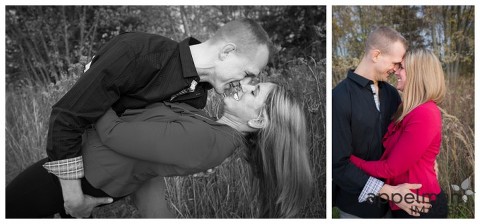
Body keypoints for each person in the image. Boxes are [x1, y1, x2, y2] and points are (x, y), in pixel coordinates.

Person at [39, 18, 274, 218]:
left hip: (102, 188)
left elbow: (149, 152)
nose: (243, 84)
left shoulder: (196, 95)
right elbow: (67, 115)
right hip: (66, 180)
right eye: (246, 74)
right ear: (227, 52)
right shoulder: (137, 53)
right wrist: (73, 198)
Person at [6, 82, 313, 218]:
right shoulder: (212, 131)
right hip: (79, 174)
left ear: (259, 119)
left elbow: (114, 134)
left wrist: (98, 84)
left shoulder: (209, 142)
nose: (244, 85)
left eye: (254, 91)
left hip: (79, 177)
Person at [332, 26, 431, 218]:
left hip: (394, 205)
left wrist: (426, 160)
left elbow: (406, 139)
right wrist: (388, 191)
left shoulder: (392, 94)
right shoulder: (340, 97)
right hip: (357, 208)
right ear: (376, 55)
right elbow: (338, 165)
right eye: (395, 63)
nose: (396, 70)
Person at [349, 48, 448, 218]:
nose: (396, 71)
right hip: (403, 203)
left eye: (401, 67)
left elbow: (391, 168)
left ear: (417, 74)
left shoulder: (424, 113)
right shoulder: (408, 109)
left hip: (420, 206)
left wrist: (348, 160)